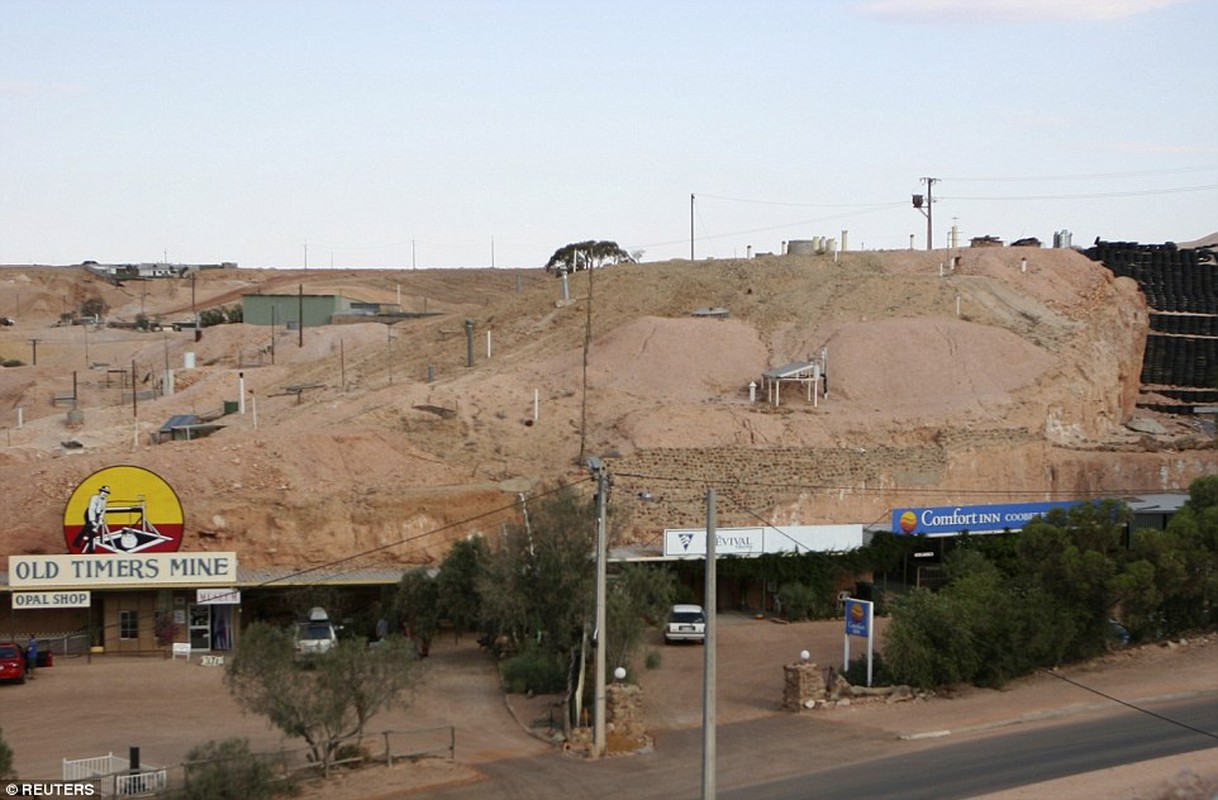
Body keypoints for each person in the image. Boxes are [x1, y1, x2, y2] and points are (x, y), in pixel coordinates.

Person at [73, 484, 110, 553]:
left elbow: (103, 510)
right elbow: (91, 509)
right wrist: (92, 520)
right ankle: (90, 549)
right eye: (104, 492)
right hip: (90, 514)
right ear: (101, 491)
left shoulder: (104, 500)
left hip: (97, 514)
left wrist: (100, 519)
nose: (105, 494)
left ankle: (77, 542)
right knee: (91, 530)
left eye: (106, 493)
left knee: (86, 529)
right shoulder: (94, 498)